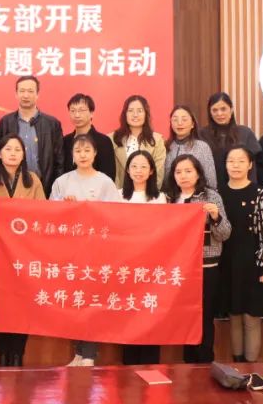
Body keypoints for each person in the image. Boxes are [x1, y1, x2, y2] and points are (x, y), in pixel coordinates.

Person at [50, 132, 121, 367]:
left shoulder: (105, 182)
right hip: (69, 251)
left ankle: (90, 353)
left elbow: (115, 215)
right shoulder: (62, 182)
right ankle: (79, 352)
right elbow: (49, 215)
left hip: (96, 250)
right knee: (75, 301)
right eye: (78, 151)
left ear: (95, 154)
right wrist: (65, 207)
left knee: (91, 300)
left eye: (87, 150)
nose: (82, 155)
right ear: (72, 155)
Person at [165, 153, 230, 364]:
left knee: (204, 316)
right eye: (178, 172)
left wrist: (216, 217)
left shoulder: (211, 197)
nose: (183, 176)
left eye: (188, 171)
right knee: (185, 317)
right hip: (179, 269)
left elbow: (225, 233)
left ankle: (204, 364)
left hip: (206, 267)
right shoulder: (170, 199)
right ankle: (188, 364)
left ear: (198, 173)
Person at [0, 134, 44, 367]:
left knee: (23, 303)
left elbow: (43, 214)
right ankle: (2, 353)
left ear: (23, 155)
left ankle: (18, 354)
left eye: (17, 150)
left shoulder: (33, 180)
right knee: (1, 303)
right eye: (8, 149)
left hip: (26, 251)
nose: (12, 153)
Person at [218, 146, 263, 363]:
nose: (236, 165)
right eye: (231, 161)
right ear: (225, 165)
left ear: (250, 165)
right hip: (227, 263)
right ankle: (237, 368)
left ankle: (251, 371)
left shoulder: (260, 194)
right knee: (234, 317)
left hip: (254, 263)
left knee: (251, 319)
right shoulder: (218, 194)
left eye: (241, 161)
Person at [120, 149, 166, 365]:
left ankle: (150, 364)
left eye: (143, 167)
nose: (138, 171)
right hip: (125, 266)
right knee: (128, 314)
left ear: (151, 171)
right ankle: (129, 365)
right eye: (134, 166)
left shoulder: (160, 198)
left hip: (152, 266)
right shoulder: (118, 195)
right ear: (128, 170)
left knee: (150, 313)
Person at [0, 76, 64, 197]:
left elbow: (59, 160)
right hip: (12, 189)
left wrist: (55, 190)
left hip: (44, 188)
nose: (26, 95)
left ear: (37, 94)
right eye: (22, 91)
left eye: (30, 91)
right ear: (16, 94)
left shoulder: (52, 124)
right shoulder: (6, 122)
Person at [198, 92, 263, 189]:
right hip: (212, 189)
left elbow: (253, 166)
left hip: (243, 189)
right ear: (210, 112)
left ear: (231, 110)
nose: (219, 113)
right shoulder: (201, 134)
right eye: (215, 110)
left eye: (223, 109)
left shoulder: (245, 133)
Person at [112, 95, 166, 189]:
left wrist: (146, 193)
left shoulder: (157, 140)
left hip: (147, 194)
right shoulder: (112, 139)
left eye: (140, 111)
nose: (135, 115)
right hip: (118, 193)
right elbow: (109, 172)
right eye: (130, 111)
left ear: (146, 114)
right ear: (125, 114)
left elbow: (158, 173)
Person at [62, 93, 116, 182]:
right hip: (68, 190)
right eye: (73, 111)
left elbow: (108, 176)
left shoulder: (103, 141)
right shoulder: (65, 141)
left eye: (81, 110)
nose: (77, 115)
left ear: (91, 113)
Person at [167, 105, 216, 189]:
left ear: (193, 124)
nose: (179, 123)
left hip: (198, 194)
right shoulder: (166, 146)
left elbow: (211, 181)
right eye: (175, 120)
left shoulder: (202, 147)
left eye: (184, 119)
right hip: (171, 195)